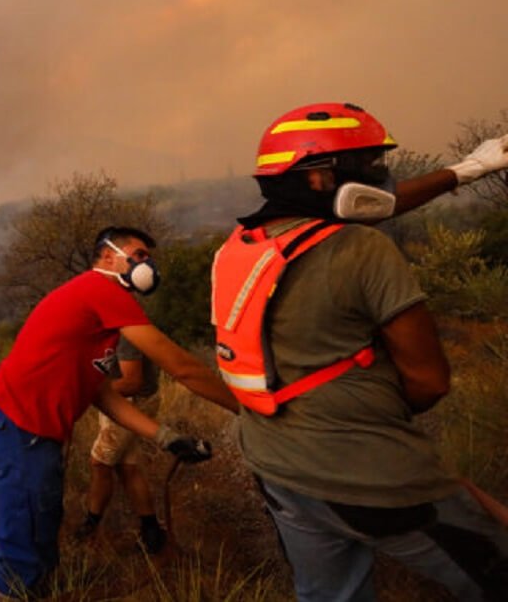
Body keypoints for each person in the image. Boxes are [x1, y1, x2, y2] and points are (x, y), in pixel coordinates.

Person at [213, 102, 508, 601]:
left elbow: (376, 205)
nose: (383, 177)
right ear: (318, 179)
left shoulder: (240, 247)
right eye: (368, 166)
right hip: (368, 474)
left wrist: (465, 169)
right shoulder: (362, 249)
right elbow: (430, 382)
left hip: (277, 466)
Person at [0, 226, 238, 601]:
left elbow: (100, 392)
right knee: (26, 525)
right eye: (140, 254)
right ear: (108, 256)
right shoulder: (101, 290)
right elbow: (181, 367)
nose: (148, 264)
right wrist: (245, 408)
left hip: (34, 427)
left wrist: (165, 437)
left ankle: (36, 591)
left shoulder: (98, 310)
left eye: (149, 258)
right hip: (19, 423)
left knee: (43, 518)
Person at [74, 336, 167, 553]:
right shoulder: (101, 326)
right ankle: (151, 531)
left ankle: (90, 526)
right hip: (121, 400)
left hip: (131, 402)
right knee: (127, 466)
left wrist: (87, 393)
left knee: (100, 463)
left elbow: (131, 382)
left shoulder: (125, 333)